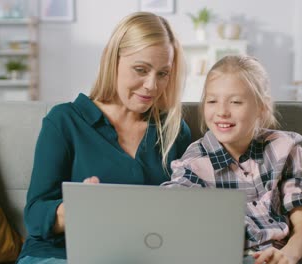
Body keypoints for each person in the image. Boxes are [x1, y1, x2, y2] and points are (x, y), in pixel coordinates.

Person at [17, 12, 191, 263]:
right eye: (141, 69)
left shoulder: (173, 130)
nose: (152, 86)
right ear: (113, 60)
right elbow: (34, 215)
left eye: (163, 74)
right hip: (59, 255)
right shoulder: (65, 121)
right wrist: (78, 209)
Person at [162, 55, 302, 264]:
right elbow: (170, 204)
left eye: (235, 102)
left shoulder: (285, 147)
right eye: (212, 101)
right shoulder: (195, 161)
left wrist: (288, 255)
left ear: (261, 107)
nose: (222, 112)